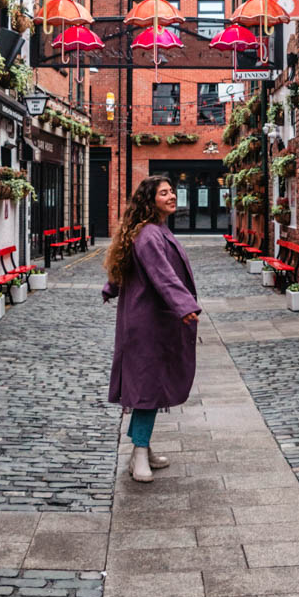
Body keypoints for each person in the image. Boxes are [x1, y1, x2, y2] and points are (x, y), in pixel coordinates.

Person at [102, 177, 201, 483]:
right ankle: (139, 454)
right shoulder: (149, 235)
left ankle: (140, 451)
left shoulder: (149, 231)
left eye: (172, 191)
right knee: (146, 389)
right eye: (164, 193)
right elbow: (163, 275)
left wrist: (112, 287)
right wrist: (185, 306)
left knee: (150, 386)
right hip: (147, 323)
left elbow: (126, 265)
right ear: (150, 200)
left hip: (151, 320)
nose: (172, 196)